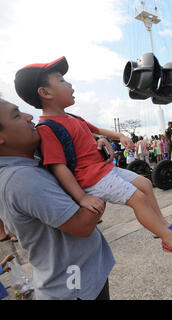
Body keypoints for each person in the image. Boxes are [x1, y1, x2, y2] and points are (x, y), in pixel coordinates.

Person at [14, 57, 172, 255]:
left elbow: (97, 130)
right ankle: (169, 240)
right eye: (61, 80)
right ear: (45, 92)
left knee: (145, 185)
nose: (70, 84)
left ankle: (161, 225)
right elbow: (58, 167)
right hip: (93, 179)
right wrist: (82, 197)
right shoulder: (48, 128)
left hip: (106, 170)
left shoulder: (73, 118)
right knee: (138, 198)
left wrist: (118, 135)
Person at [0, 96, 114, 299]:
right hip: (74, 288)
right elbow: (83, 224)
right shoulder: (20, 178)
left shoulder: (29, 161)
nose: (29, 117)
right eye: (17, 115)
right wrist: (103, 177)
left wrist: (91, 148)